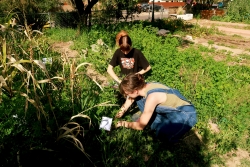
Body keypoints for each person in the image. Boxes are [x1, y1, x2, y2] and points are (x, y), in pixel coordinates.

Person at [115, 73, 197, 142]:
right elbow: (130, 99)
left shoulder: (152, 97)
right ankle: (149, 120)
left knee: (163, 135)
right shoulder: (143, 86)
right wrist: (119, 114)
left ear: (135, 91)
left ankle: (154, 124)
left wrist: (123, 124)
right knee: (138, 99)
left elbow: (140, 126)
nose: (127, 96)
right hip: (169, 111)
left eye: (127, 93)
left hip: (185, 114)